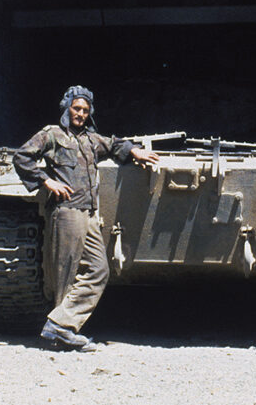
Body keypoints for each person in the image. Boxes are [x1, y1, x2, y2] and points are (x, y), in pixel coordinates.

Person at [13, 85, 159, 351]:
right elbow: (22, 157)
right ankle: (63, 331)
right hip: (67, 212)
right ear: (67, 108)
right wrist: (46, 181)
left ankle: (59, 325)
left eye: (85, 110)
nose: (80, 114)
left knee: (99, 269)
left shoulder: (92, 140)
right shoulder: (52, 135)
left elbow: (114, 144)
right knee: (64, 274)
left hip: (90, 214)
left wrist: (134, 151)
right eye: (76, 108)